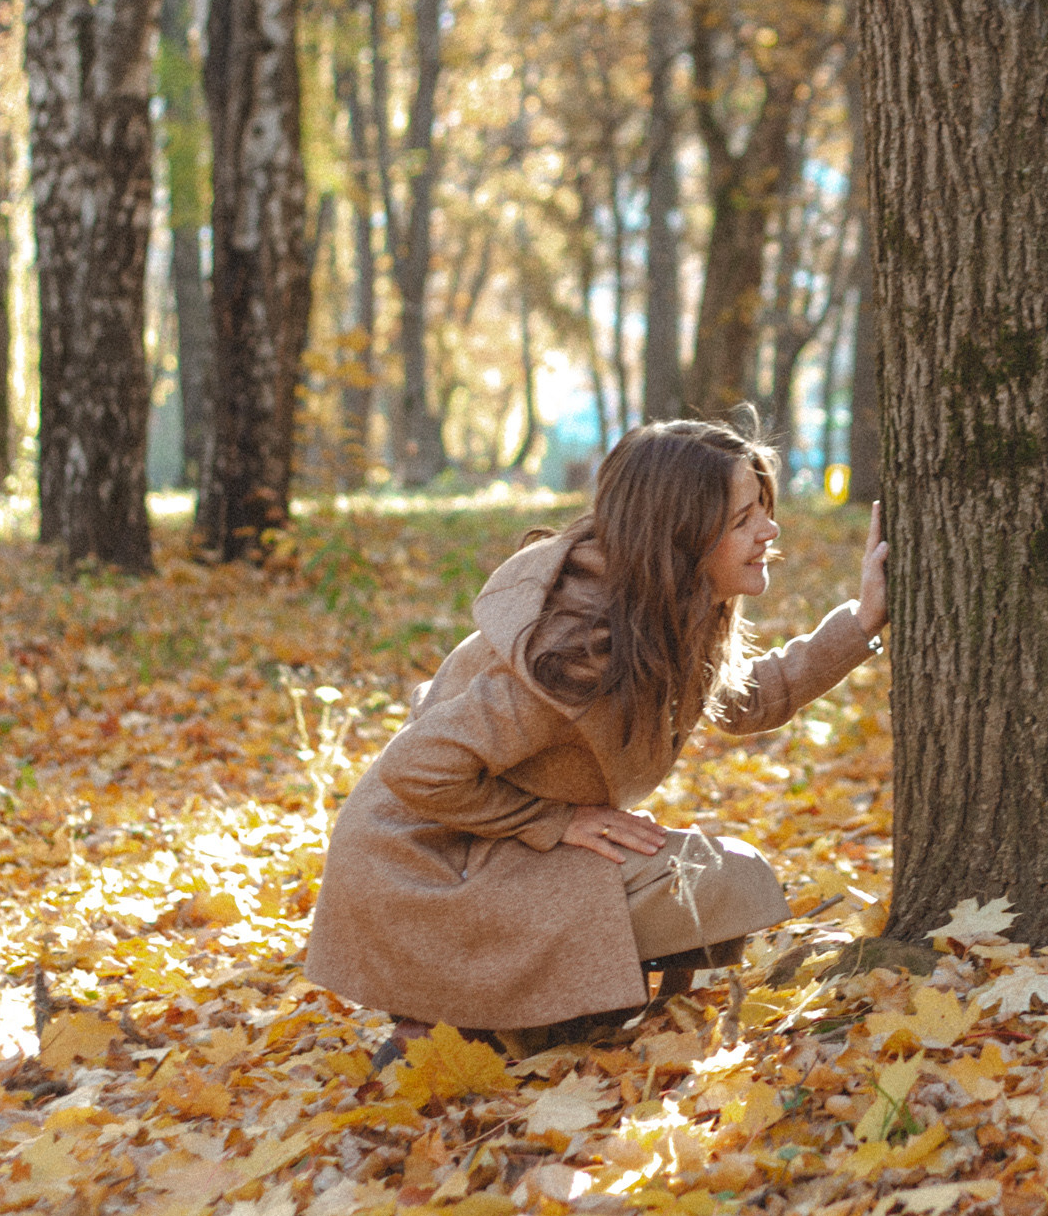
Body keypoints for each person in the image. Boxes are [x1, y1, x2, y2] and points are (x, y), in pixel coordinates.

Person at [305, 420, 888, 1060]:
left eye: (763, 511)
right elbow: (416, 768)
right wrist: (557, 820)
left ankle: (525, 1019)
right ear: (682, 536)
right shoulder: (579, 651)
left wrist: (861, 624)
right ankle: (446, 1023)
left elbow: (745, 698)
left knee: (725, 878)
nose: (768, 531)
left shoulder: (656, 602)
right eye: (744, 518)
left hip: (489, 848)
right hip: (427, 867)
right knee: (713, 881)